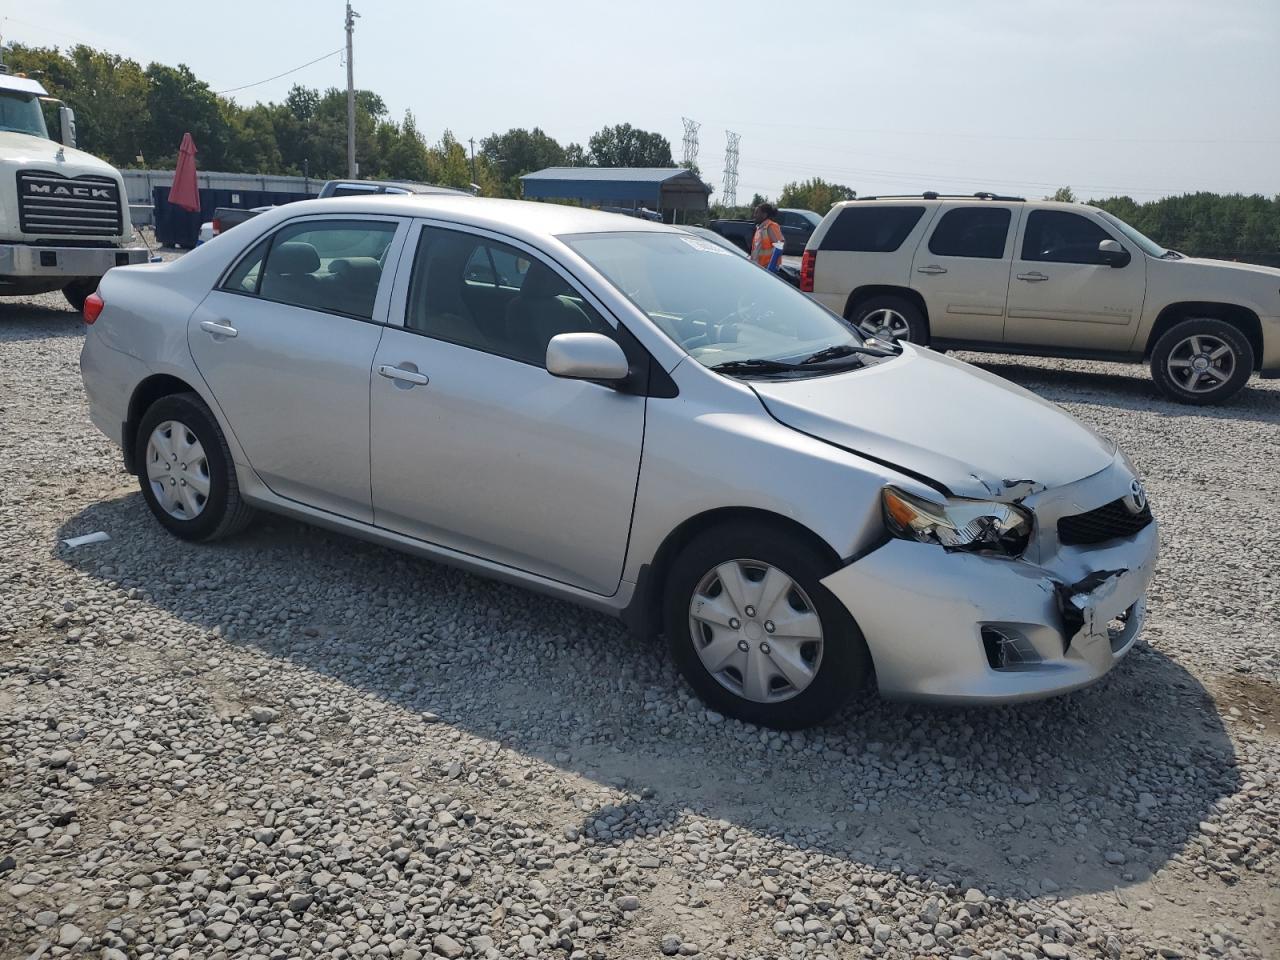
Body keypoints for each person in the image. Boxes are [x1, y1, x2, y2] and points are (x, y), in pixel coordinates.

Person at [750, 203, 785, 271]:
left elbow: (780, 247)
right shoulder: (760, 228)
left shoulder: (771, 226)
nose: (754, 215)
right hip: (759, 268)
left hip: (768, 270)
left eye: (757, 213)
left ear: (764, 215)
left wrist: (771, 267)